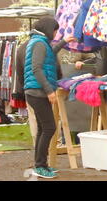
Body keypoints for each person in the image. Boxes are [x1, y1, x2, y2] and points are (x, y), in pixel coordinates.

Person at [24, 17, 75, 179]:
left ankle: (41, 165)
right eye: (55, 30)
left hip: (36, 92)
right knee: (49, 128)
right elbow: (37, 69)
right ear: (47, 29)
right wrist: (49, 91)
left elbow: (49, 55)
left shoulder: (40, 42)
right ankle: (40, 166)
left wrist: (63, 42)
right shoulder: (39, 43)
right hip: (37, 92)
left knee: (43, 129)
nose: (55, 33)